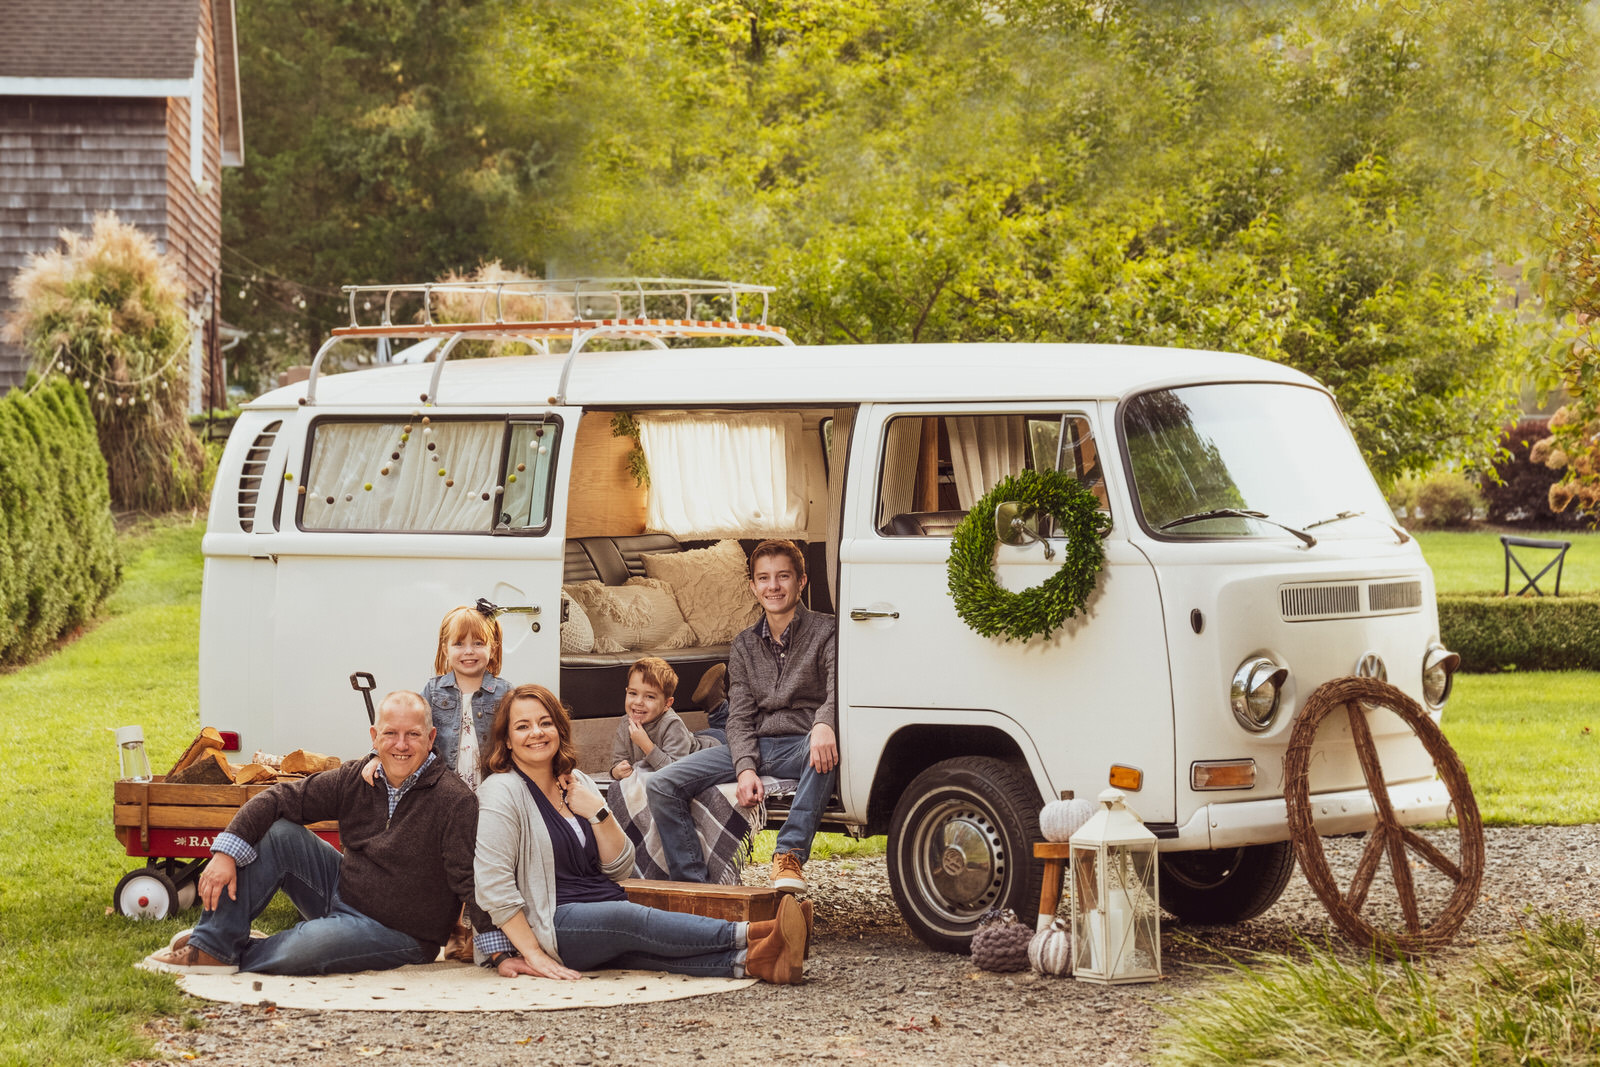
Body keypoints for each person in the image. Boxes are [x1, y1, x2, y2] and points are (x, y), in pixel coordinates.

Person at [473, 683, 807, 984]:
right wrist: (532, 953)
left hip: (600, 905)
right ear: (506, 740)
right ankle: (758, 933)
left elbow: (619, 867)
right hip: (552, 923)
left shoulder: (577, 782)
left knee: (651, 954)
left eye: (545, 722)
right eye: (523, 726)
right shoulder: (501, 791)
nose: (537, 732)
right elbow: (493, 886)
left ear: (559, 729)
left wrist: (598, 812)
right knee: (633, 919)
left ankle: (758, 961)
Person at [139, 691, 484, 976]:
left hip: (400, 932)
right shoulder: (356, 778)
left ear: (431, 738)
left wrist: (500, 947)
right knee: (278, 832)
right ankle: (214, 943)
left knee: (305, 948)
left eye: (413, 734)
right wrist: (224, 853)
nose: (401, 744)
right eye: (390, 733)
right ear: (374, 737)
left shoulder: (453, 800)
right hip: (340, 889)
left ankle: (224, 948)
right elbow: (278, 798)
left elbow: (467, 879)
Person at [645, 539, 837, 894]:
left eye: (783, 576)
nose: (773, 586)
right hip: (758, 745)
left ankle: (788, 854)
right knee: (661, 784)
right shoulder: (745, 644)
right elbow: (740, 716)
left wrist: (825, 723)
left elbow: (838, 689)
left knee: (823, 750)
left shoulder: (828, 631)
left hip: (803, 744)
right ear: (752, 586)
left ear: (802, 581)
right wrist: (746, 766)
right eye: (763, 578)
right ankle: (696, 888)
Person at [364, 604, 509, 792]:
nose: (469, 651)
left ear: (493, 647)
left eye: (478, 643)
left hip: (491, 785)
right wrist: (377, 756)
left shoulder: (505, 692)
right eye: (459, 644)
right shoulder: (434, 690)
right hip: (443, 787)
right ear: (445, 649)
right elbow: (406, 724)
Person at [609, 656, 722, 780]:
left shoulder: (673, 724)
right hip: (688, 739)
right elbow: (618, 761)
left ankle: (718, 706)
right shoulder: (626, 723)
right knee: (689, 737)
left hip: (717, 746)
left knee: (731, 731)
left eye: (650, 697)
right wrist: (616, 772)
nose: (638, 701)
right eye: (633, 693)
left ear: (667, 704)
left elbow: (675, 772)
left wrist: (646, 745)